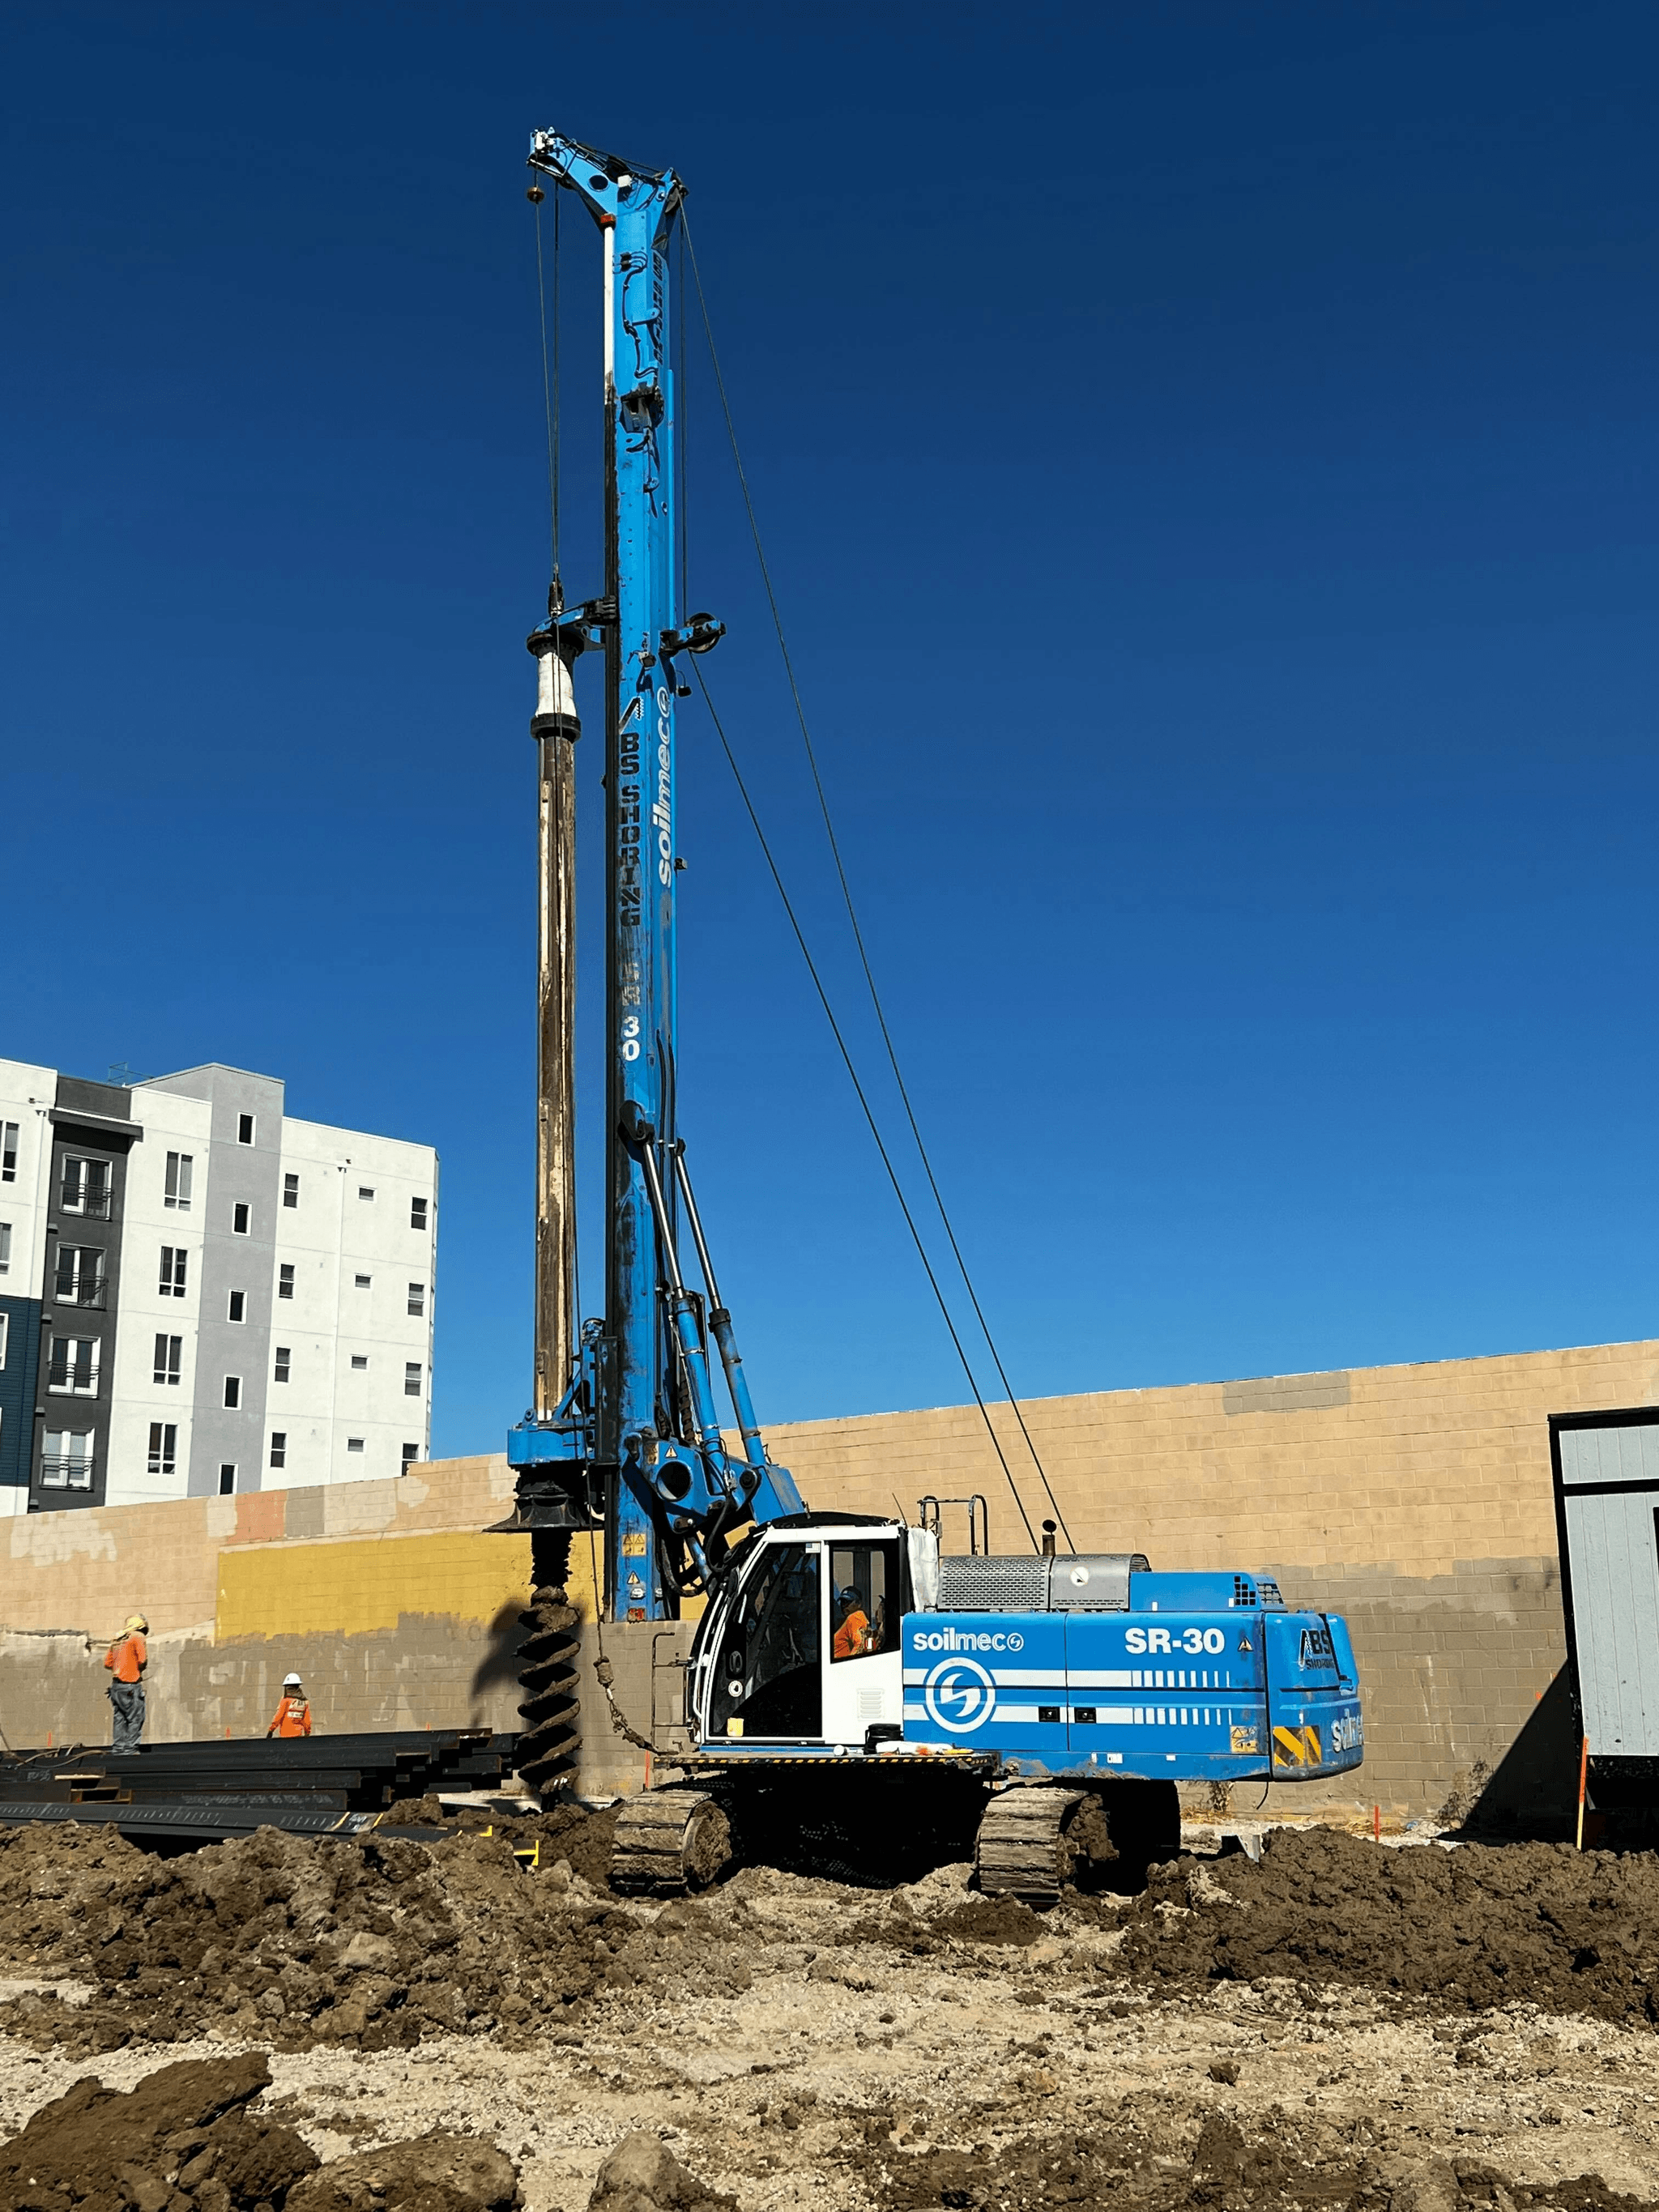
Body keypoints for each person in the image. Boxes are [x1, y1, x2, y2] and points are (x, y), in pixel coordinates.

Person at [103, 1614, 147, 1753]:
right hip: (130, 1685)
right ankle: (130, 1749)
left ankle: (119, 1748)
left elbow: (107, 1663)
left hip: (116, 1687)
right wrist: (135, 1669)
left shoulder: (118, 1639)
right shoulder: (138, 1637)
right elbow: (142, 1660)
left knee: (120, 1717)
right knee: (136, 1717)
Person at [267, 1673, 313, 1738]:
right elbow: (307, 1721)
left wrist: (271, 1730)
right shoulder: (304, 1702)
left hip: (285, 1737)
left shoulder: (286, 1700)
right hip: (298, 1737)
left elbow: (278, 1716)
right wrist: (307, 1733)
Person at [832, 1586, 870, 1660]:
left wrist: (847, 1664)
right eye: (842, 1602)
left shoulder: (855, 1617)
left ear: (859, 1604)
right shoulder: (845, 1620)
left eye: (847, 1602)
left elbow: (860, 1645)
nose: (843, 1606)